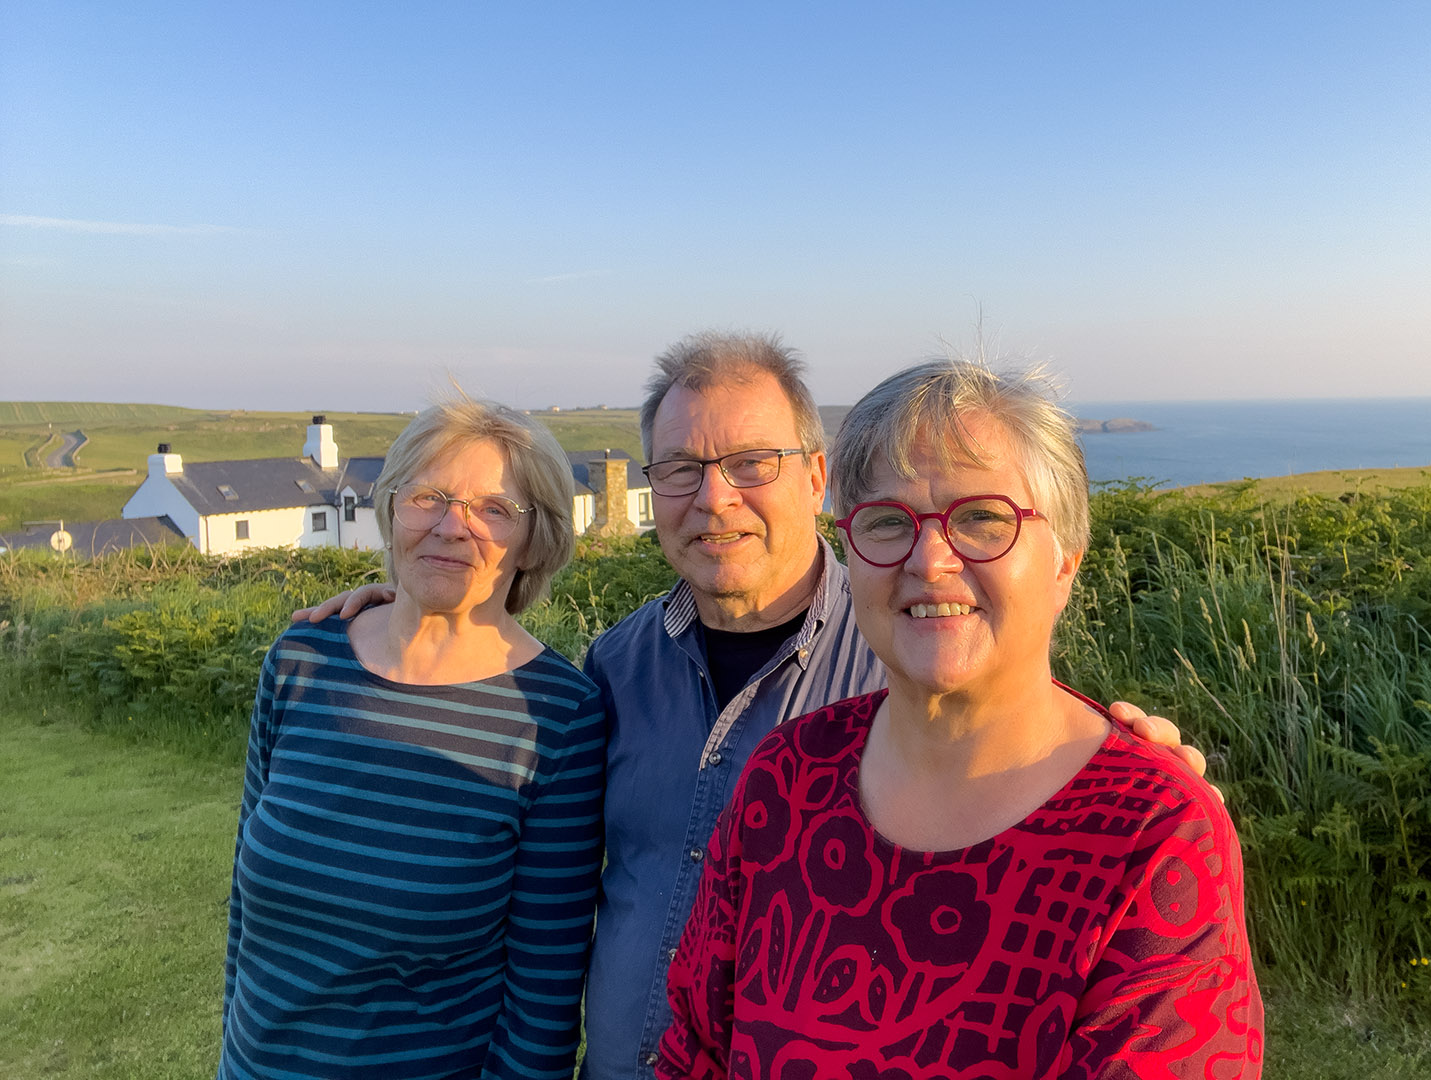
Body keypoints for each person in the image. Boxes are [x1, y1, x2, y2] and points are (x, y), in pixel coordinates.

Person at [298, 332, 1207, 1080]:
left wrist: (1133, 766)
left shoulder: (912, 653)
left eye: (751, 463)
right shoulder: (616, 666)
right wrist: (399, 609)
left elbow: (1028, 733)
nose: (713, 498)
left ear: (816, 477)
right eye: (681, 469)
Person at [657, 359, 1263, 1078]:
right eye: (889, 522)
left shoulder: (1154, 835)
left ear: (1065, 560)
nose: (931, 560)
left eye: (981, 518)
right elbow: (694, 1048)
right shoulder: (785, 781)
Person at [221, 396, 605, 1080]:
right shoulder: (302, 659)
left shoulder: (559, 716)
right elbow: (246, 917)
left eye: (493, 509)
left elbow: (542, 1005)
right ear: (393, 508)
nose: (453, 527)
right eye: (428, 497)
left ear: (534, 539)